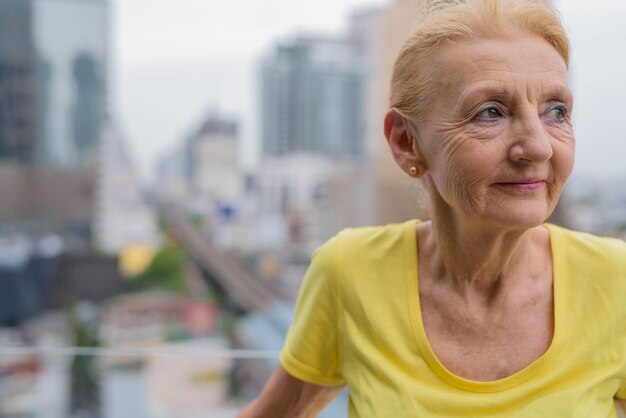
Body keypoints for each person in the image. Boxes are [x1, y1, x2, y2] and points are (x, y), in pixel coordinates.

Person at [238, 0, 626, 416]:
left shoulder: (614, 281)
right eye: (490, 112)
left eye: (556, 111)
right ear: (407, 142)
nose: (538, 145)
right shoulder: (348, 272)